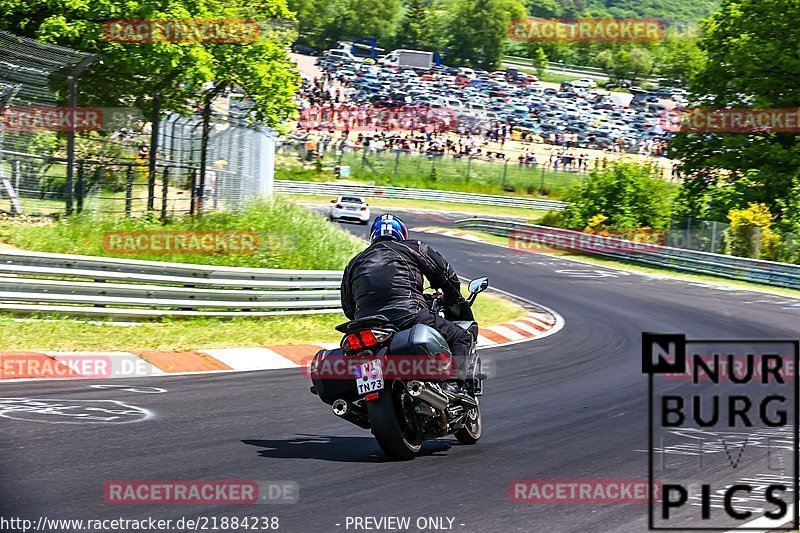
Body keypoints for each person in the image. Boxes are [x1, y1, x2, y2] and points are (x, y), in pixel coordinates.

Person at [340, 214, 472, 388]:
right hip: (408, 314)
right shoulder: (413, 247)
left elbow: (348, 308)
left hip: (365, 324)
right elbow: (447, 277)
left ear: (372, 236)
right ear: (402, 234)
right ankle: (454, 385)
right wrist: (453, 299)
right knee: (461, 337)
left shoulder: (354, 262)